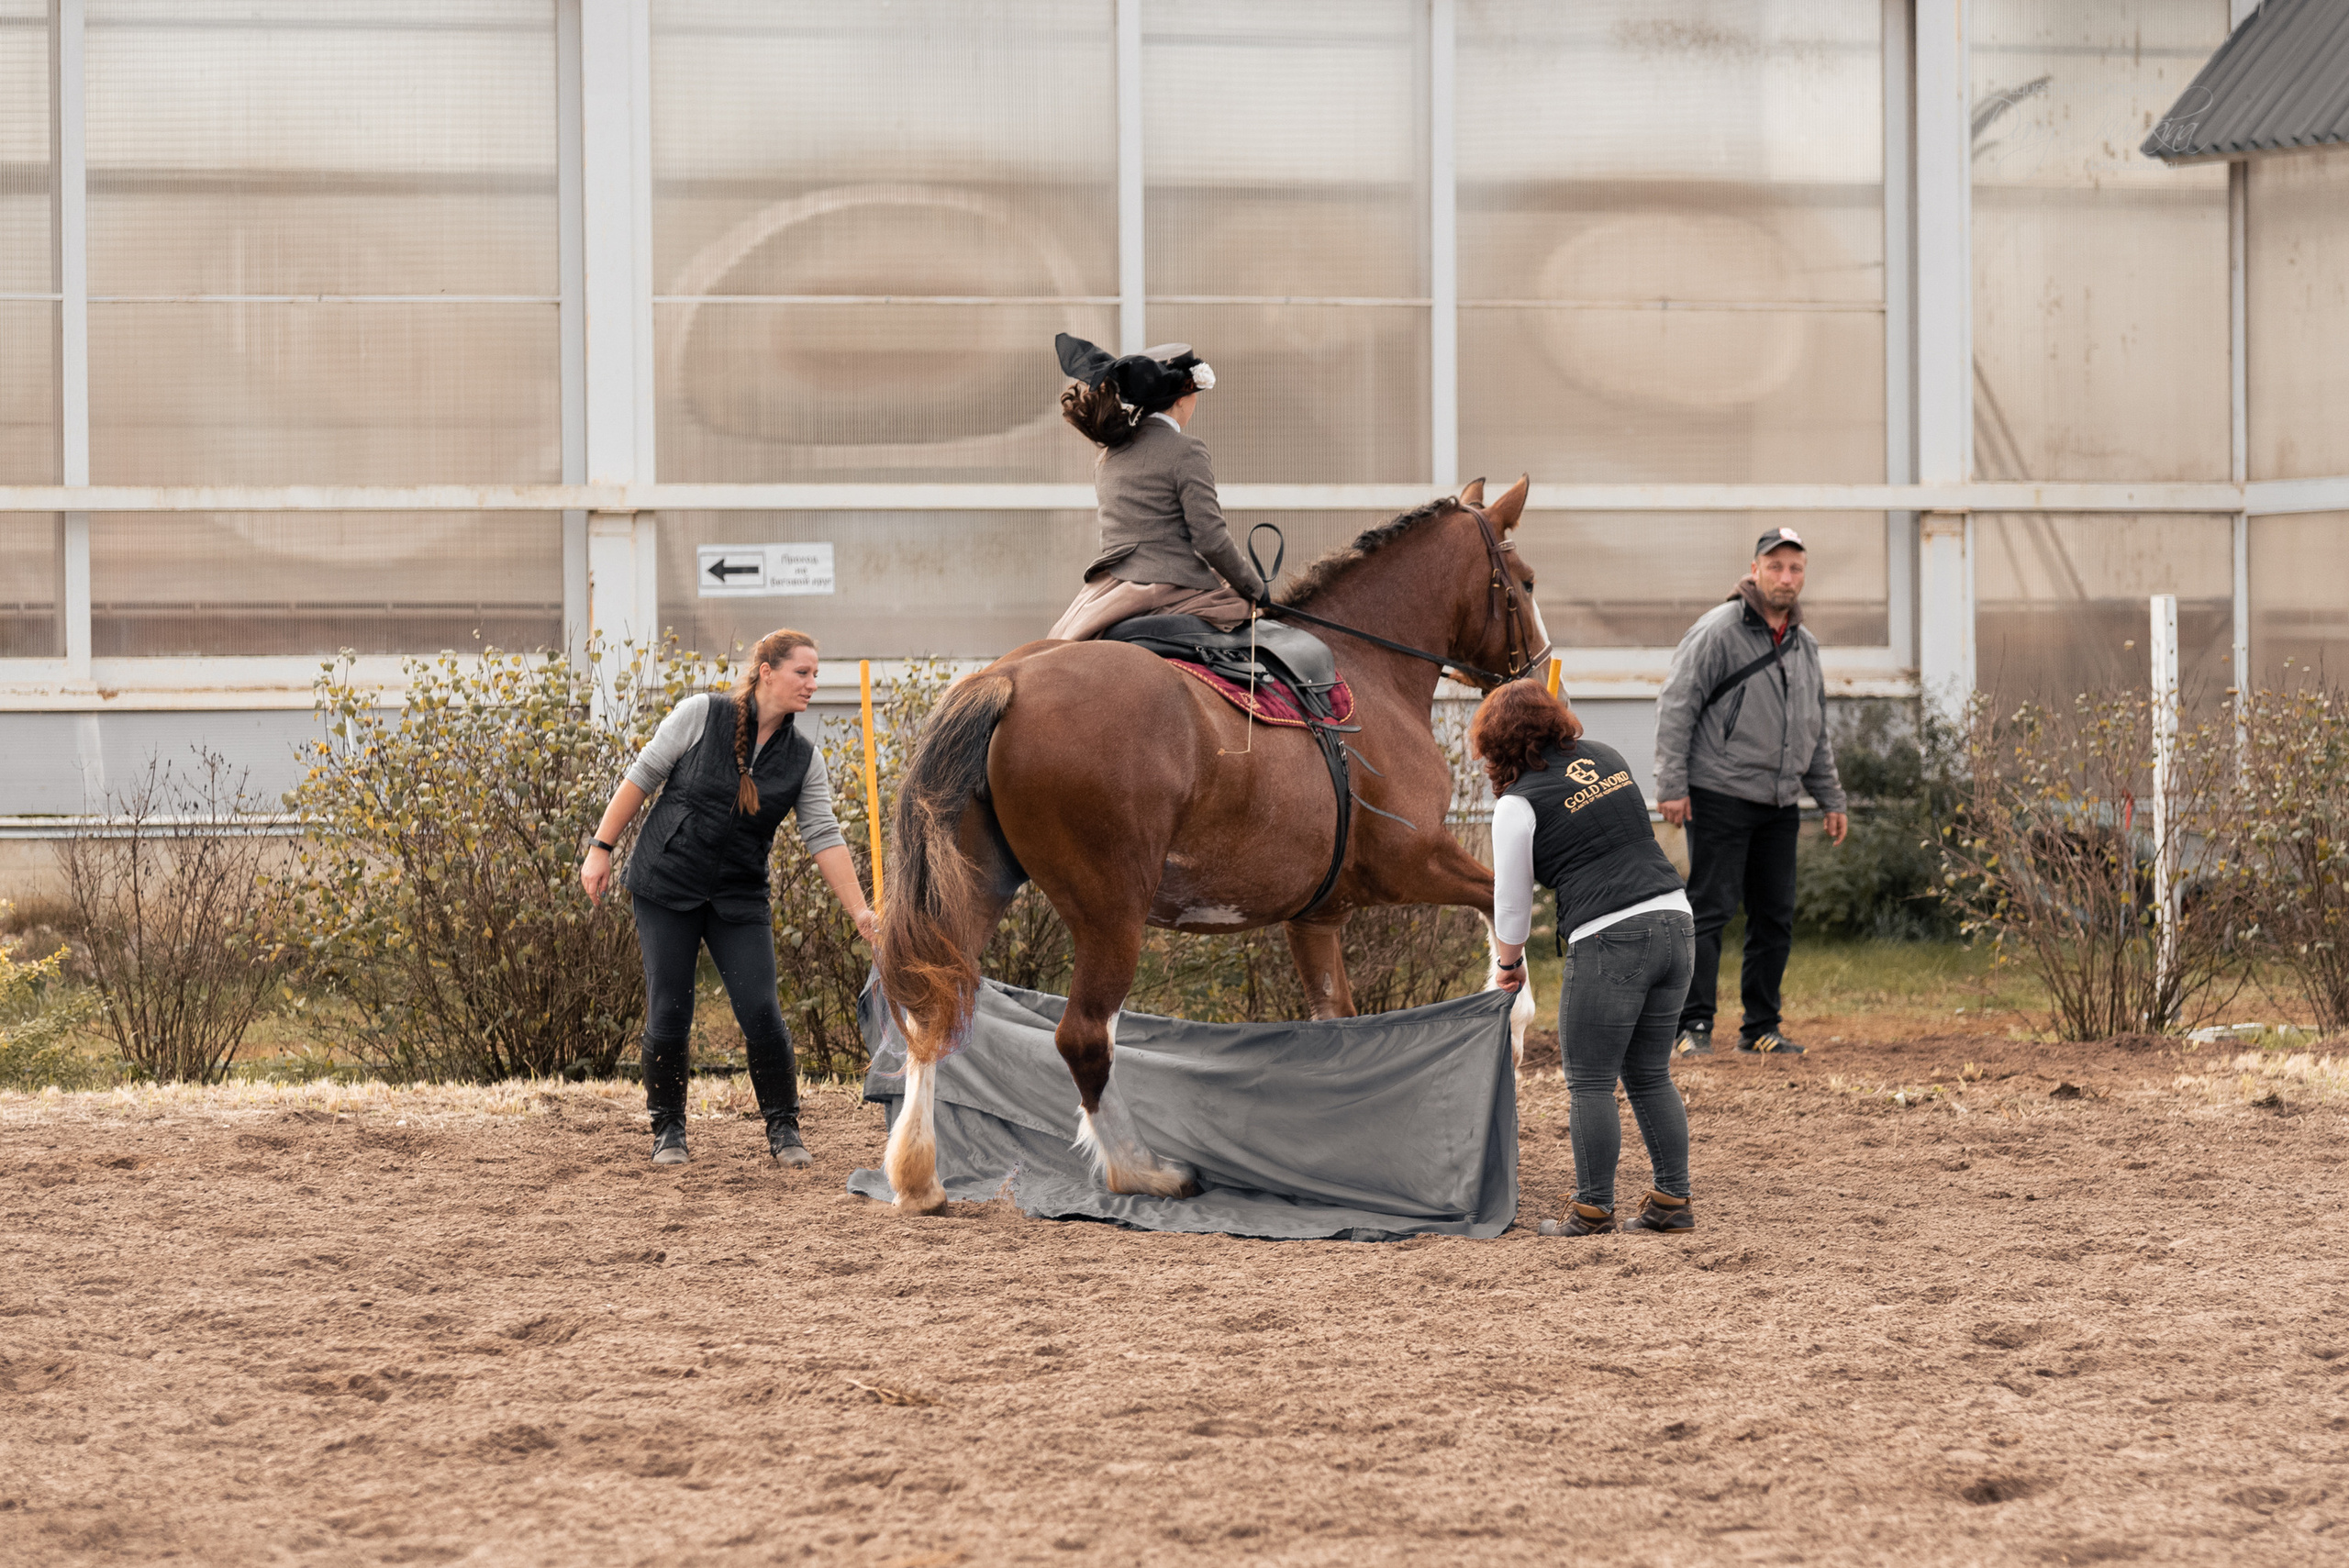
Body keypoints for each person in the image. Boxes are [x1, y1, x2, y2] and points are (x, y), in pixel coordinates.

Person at [579, 629, 880, 1167]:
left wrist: (861, 910)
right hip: (666, 883)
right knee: (670, 1008)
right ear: (767, 671)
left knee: (762, 1009)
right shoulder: (701, 714)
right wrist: (601, 847)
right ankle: (668, 1131)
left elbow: (824, 837)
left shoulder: (803, 760)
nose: (813, 684)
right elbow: (641, 778)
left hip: (739, 894)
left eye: (816, 674)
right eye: (803, 673)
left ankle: (784, 1131)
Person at [1479, 680, 1697, 1238]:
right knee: (1650, 1074)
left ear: (1496, 744)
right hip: (1677, 921)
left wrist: (1509, 964)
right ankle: (1672, 1201)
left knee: (1591, 1082)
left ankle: (1593, 1209)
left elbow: (1511, 899)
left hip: (1609, 936)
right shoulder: (1609, 758)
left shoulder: (1517, 802)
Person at [1652, 528, 1849, 1058]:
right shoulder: (1718, 630)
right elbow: (1677, 705)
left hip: (1780, 802)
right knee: (1710, 910)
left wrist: (1831, 798)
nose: (1787, 578)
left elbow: (1815, 727)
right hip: (1720, 792)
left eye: (1796, 568)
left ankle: (1761, 1028)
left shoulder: (1804, 644)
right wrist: (1671, 785)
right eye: (1776, 566)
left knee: (1775, 917)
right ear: (1756, 569)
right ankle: (1691, 1027)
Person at [1044, 332, 1268, 640]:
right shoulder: (1186, 451)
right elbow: (1211, 540)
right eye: (1195, 394)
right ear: (1181, 398)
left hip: (1107, 588)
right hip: (1167, 584)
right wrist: (1256, 589)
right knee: (1247, 615)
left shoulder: (1110, 453)